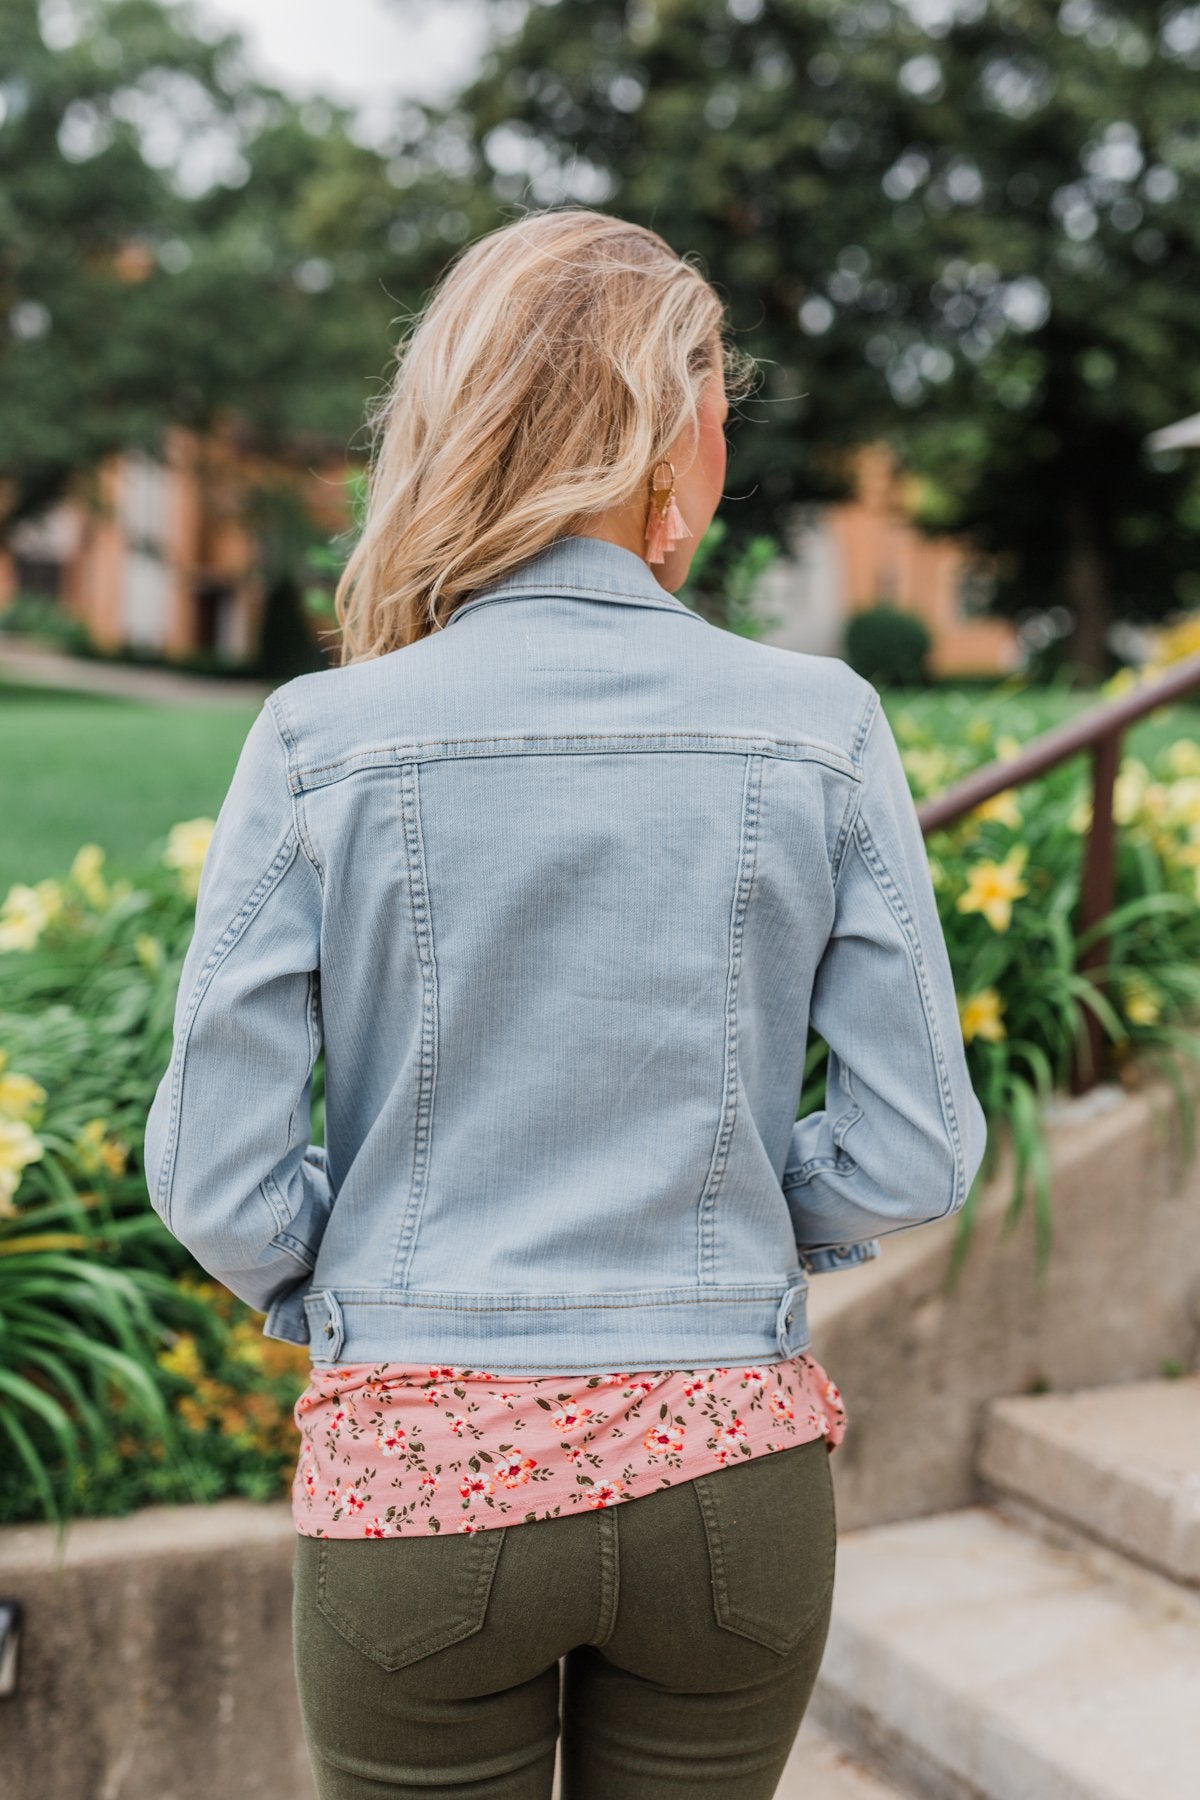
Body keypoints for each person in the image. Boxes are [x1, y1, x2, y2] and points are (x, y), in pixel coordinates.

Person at [144, 208, 989, 1799]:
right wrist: (746, 1212)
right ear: (671, 435)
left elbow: (215, 1180)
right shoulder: (821, 724)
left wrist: (361, 1289)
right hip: (731, 1487)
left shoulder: (325, 739)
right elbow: (919, 1151)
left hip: (420, 1484)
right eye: (721, 409)